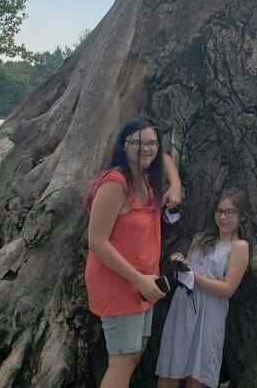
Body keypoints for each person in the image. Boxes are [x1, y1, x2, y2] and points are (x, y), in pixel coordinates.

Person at [85, 118, 182, 388]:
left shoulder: (146, 179)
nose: (146, 148)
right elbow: (97, 241)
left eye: (151, 142)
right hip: (121, 284)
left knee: (135, 353)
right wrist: (138, 280)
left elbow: (165, 157)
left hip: (144, 285)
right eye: (137, 142)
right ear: (123, 146)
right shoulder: (115, 184)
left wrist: (175, 185)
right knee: (122, 361)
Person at [156, 188, 251, 388]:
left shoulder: (240, 247)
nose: (223, 217)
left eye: (229, 212)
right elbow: (188, 269)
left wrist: (193, 276)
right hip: (183, 306)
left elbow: (227, 289)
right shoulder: (201, 238)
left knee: (196, 377)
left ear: (242, 216)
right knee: (169, 372)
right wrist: (180, 262)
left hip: (211, 313)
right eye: (219, 211)